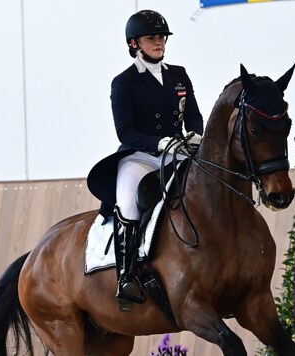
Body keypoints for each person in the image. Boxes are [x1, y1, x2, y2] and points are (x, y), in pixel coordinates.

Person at [87, 9, 203, 311]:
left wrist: (196, 135)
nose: (159, 42)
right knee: (127, 203)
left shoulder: (179, 74)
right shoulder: (123, 83)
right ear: (134, 43)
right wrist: (158, 142)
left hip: (177, 152)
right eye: (152, 38)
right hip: (140, 157)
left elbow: (194, 115)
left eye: (162, 37)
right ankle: (126, 278)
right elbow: (125, 131)